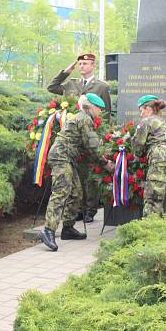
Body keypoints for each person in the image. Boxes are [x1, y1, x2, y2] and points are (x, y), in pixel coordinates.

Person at [39, 93, 113, 251]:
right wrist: (106, 163)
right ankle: (48, 230)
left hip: (67, 157)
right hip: (61, 157)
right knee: (61, 192)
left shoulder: (83, 117)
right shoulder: (85, 119)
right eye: (98, 108)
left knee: (76, 193)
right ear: (90, 107)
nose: (100, 111)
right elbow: (92, 147)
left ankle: (68, 228)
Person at [47, 53, 112, 223]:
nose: (82, 66)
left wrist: (102, 136)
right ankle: (78, 210)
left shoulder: (101, 87)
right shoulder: (71, 83)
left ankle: (90, 209)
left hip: (91, 133)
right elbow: (52, 87)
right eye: (80, 64)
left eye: (85, 63)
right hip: (72, 136)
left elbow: (106, 113)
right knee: (76, 175)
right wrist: (65, 72)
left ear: (92, 65)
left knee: (89, 173)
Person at [130, 95, 166, 217]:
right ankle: (159, 229)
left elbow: (138, 147)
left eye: (141, 110)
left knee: (152, 201)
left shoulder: (146, 121)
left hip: (160, 159)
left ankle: (149, 232)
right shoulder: (164, 123)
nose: (141, 114)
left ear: (148, 109)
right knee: (159, 199)